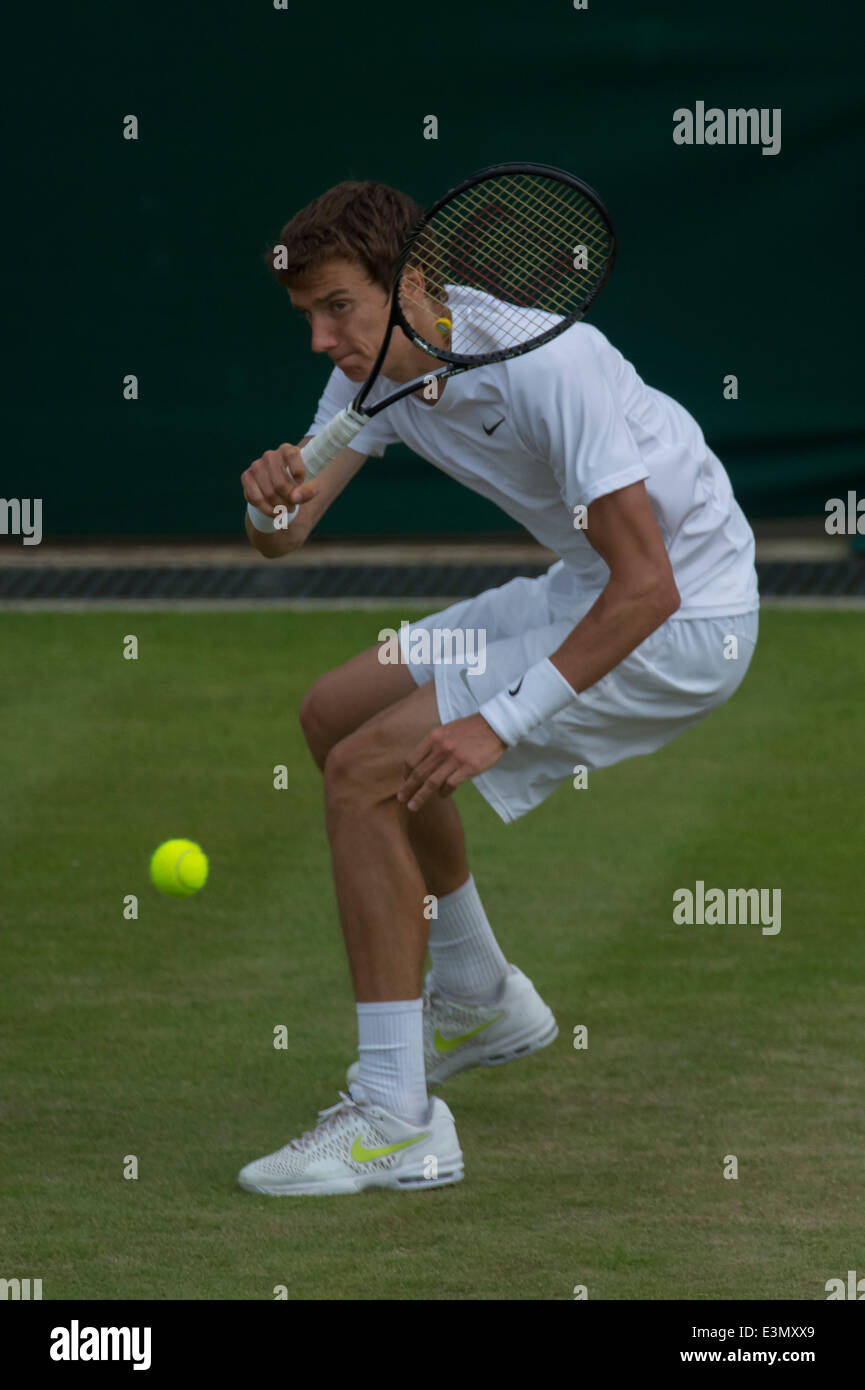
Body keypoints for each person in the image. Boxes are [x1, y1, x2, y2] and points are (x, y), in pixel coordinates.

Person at [237, 179, 759, 1196]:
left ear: (412, 285)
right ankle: (475, 993)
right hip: (586, 587)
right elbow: (286, 534)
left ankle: (396, 1116)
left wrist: (498, 722)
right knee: (331, 713)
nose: (320, 338)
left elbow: (648, 585)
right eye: (308, 316)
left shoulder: (546, 365)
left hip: (685, 618)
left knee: (362, 774)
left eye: (338, 306)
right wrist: (263, 502)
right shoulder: (364, 382)